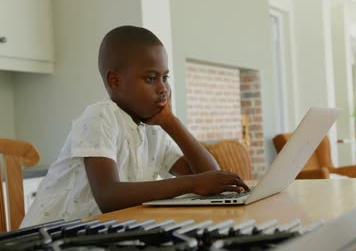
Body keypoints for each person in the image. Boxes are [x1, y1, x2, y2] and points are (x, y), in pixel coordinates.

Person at [21, 25, 249, 227]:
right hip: (50, 236)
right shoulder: (99, 117)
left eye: (165, 78)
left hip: (100, 234)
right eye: (151, 79)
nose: (163, 89)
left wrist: (171, 122)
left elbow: (209, 176)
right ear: (115, 81)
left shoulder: (153, 127)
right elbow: (109, 196)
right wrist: (192, 184)